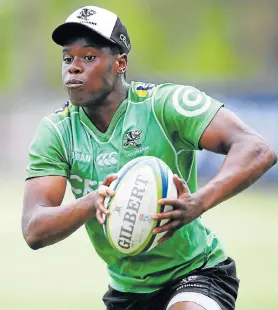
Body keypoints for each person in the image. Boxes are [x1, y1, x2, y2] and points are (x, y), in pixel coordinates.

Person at [22, 5, 277, 310]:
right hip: (126, 292)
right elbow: (34, 228)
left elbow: (257, 149)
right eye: (67, 58)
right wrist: (94, 201)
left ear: (120, 63)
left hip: (196, 273)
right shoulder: (58, 131)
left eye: (88, 57)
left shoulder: (164, 105)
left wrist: (197, 203)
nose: (73, 67)